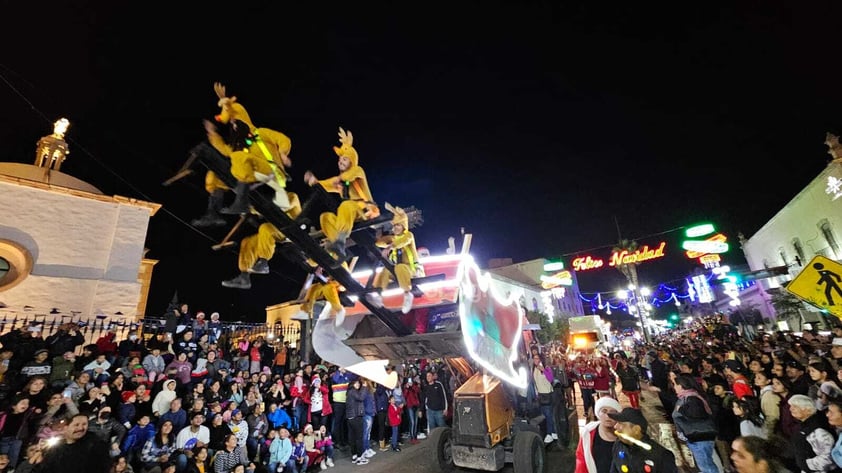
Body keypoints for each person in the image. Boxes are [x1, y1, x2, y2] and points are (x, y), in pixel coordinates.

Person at [304, 127, 379, 261]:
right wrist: (313, 181)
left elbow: (348, 176)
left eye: (344, 159)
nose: (340, 161)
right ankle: (338, 247)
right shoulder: (340, 181)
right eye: (339, 160)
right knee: (325, 217)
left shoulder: (357, 171)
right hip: (350, 216)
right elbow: (323, 185)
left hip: (366, 211)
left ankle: (339, 241)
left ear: (352, 161)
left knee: (346, 205)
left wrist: (338, 180)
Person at [367, 204, 422, 313]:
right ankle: (378, 295)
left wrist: (390, 246)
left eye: (398, 225)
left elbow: (402, 242)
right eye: (394, 225)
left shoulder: (409, 235)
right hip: (398, 272)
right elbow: (379, 243)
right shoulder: (393, 238)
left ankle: (407, 294)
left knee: (399, 267)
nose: (394, 228)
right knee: (386, 270)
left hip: (412, 270)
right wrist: (378, 231)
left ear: (403, 226)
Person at [672, 374, 720, 473]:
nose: (674, 387)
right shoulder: (686, 396)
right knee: (706, 464)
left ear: (681, 386)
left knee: (707, 466)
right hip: (696, 436)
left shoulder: (692, 398)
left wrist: (681, 409)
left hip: (700, 437)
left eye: (675, 384)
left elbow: (696, 414)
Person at [608, 408, 678, 473]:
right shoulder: (618, 446)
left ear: (636, 429)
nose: (615, 426)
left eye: (621, 424)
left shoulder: (661, 456)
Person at [40, 413, 112, 473]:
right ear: (65, 428)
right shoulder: (55, 449)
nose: (81, 428)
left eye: (84, 424)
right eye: (76, 425)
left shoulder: (96, 444)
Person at [788, 394, 840, 473]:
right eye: (791, 406)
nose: (791, 409)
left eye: (795, 407)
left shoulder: (818, 430)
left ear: (808, 410)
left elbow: (828, 459)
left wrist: (805, 465)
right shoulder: (805, 425)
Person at [575, 397, 621, 473]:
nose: (608, 416)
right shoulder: (588, 433)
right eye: (604, 411)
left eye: (613, 412)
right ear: (598, 414)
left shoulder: (625, 435)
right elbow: (581, 460)